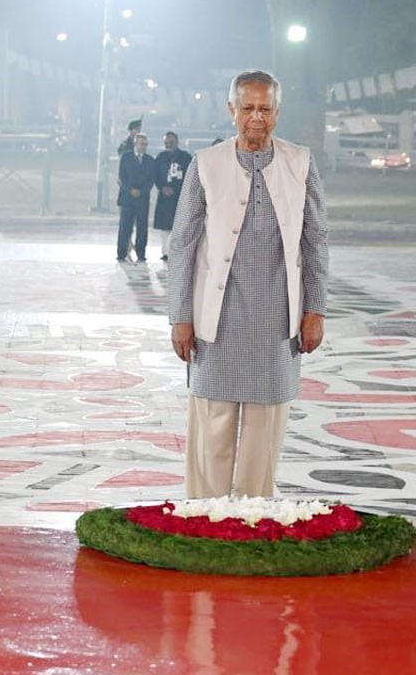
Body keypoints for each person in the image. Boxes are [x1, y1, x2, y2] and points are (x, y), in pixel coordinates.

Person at [167, 69, 329, 498]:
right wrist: (179, 318)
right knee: (213, 424)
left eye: (265, 108)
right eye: (247, 108)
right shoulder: (205, 164)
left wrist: (315, 311)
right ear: (231, 110)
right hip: (216, 318)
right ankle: (204, 515)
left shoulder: (301, 163)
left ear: (277, 112)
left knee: (264, 430)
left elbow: (315, 242)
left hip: (277, 319)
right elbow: (181, 244)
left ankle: (254, 517)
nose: (256, 117)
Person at [152, 131, 192, 261]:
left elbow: (189, 177)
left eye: (171, 142)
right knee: (165, 227)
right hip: (164, 198)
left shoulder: (185, 157)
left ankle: (178, 252)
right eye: (166, 143)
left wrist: (176, 189)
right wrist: (162, 187)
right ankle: (165, 252)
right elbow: (155, 176)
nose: (168, 145)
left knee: (179, 226)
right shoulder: (160, 157)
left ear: (177, 142)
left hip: (179, 198)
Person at [116, 132, 154, 262]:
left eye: (145, 144)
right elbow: (122, 177)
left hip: (142, 200)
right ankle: (121, 253)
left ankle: (141, 254)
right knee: (125, 227)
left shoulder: (150, 160)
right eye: (141, 144)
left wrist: (141, 191)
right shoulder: (126, 157)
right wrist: (130, 190)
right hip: (127, 198)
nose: (144, 146)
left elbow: (151, 180)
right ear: (135, 144)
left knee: (142, 228)